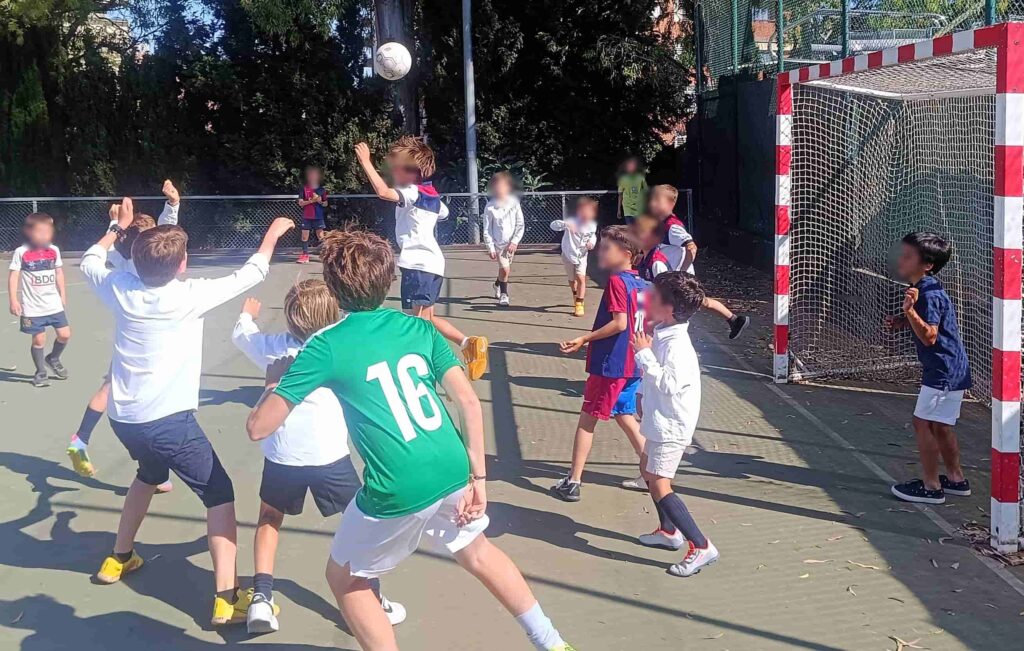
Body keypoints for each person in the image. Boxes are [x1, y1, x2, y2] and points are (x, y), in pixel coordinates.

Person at [246, 229, 575, 651]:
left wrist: (275, 382)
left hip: (398, 484)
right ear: (390, 280)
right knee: (477, 550)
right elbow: (469, 404)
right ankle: (551, 641)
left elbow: (259, 428)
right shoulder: (418, 327)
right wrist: (479, 478)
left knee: (345, 578)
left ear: (332, 286)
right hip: (453, 464)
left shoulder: (323, 345)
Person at [80, 198, 294, 626]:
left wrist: (116, 229)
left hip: (125, 420)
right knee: (220, 494)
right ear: (181, 266)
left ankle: (118, 557)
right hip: (169, 422)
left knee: (148, 475)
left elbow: (89, 259)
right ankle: (226, 598)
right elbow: (252, 272)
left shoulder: (121, 288)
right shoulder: (191, 295)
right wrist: (272, 233)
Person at [232, 283, 405, 634]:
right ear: (333, 313)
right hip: (330, 456)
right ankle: (372, 597)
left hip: (282, 455)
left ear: (291, 319)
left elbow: (242, 335)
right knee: (359, 525)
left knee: (269, 518)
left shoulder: (274, 351)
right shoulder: (341, 347)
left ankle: (262, 598)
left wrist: (247, 315)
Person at [66, 180, 181, 484]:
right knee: (155, 403)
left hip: (129, 336)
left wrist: (115, 222)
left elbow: (99, 252)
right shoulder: (151, 258)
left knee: (109, 387)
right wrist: (172, 204)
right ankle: (152, 467)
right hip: (154, 342)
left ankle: (81, 439)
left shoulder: (119, 257)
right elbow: (168, 232)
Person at [354, 137, 489, 381]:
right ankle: (468, 343)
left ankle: (442, 372)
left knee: (418, 325)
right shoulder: (429, 195)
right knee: (421, 319)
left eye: (396, 167)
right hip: (420, 265)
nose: (392, 171)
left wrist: (366, 162)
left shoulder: (414, 192)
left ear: (412, 173)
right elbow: (444, 213)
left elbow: (383, 192)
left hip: (421, 265)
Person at [631, 272, 719, 577]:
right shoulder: (664, 332)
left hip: (672, 424)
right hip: (660, 418)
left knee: (659, 482)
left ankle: (701, 545)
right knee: (647, 470)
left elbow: (670, 383)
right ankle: (668, 532)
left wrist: (642, 355)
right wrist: (641, 394)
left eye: (652, 296)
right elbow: (656, 379)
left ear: (668, 307)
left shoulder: (677, 344)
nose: (646, 299)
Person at [552, 226, 648, 502]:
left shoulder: (618, 282)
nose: (601, 252)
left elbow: (620, 323)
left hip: (611, 365)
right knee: (625, 415)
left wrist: (584, 338)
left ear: (626, 254)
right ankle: (652, 473)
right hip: (634, 364)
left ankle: (573, 482)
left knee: (587, 421)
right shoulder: (644, 285)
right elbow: (644, 327)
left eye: (607, 248)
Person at [886, 232, 972, 504]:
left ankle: (931, 486)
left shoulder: (925, 294)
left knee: (923, 423)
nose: (902, 259)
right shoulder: (928, 287)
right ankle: (956, 479)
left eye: (909, 256)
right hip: (953, 368)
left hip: (942, 371)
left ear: (928, 265)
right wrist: (903, 320)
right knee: (941, 425)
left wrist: (909, 311)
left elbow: (931, 335)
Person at [632, 214, 750, 341]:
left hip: (678, 280)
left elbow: (691, 247)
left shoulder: (671, 229)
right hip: (675, 278)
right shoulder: (653, 249)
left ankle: (734, 320)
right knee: (702, 301)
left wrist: (681, 272)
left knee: (694, 303)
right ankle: (734, 319)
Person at [8, 212, 70, 388]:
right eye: (39, 232)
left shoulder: (54, 250)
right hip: (32, 307)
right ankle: (41, 373)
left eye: (48, 232)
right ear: (29, 232)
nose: (44, 235)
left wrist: (62, 294)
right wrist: (13, 299)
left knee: (65, 335)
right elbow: (14, 276)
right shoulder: (22, 252)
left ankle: (54, 358)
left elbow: (59, 273)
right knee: (39, 340)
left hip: (53, 304)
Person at [550, 197, 599, 318]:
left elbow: (593, 236)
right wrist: (565, 224)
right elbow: (553, 225)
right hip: (568, 254)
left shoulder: (592, 225)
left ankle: (579, 303)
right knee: (572, 280)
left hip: (582, 255)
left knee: (581, 278)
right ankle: (575, 293)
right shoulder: (571, 221)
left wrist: (591, 243)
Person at [482, 171, 525, 307]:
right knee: (505, 269)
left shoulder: (514, 203)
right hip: (498, 244)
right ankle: (504, 295)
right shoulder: (489, 207)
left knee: (504, 269)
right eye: (497, 186)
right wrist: (490, 246)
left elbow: (520, 224)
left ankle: (497, 284)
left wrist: (514, 241)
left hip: (510, 244)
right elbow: (487, 229)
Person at [297, 165, 328, 264]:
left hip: (318, 217)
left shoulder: (322, 190)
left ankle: (326, 255)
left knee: (321, 236)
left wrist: (320, 201)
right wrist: (311, 201)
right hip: (307, 216)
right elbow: (301, 203)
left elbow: (325, 203)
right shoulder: (304, 189)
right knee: (304, 236)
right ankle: (305, 255)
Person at [616, 156, 647, 225]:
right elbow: (620, 195)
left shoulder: (641, 178)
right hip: (628, 209)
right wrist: (618, 210)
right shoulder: (623, 179)